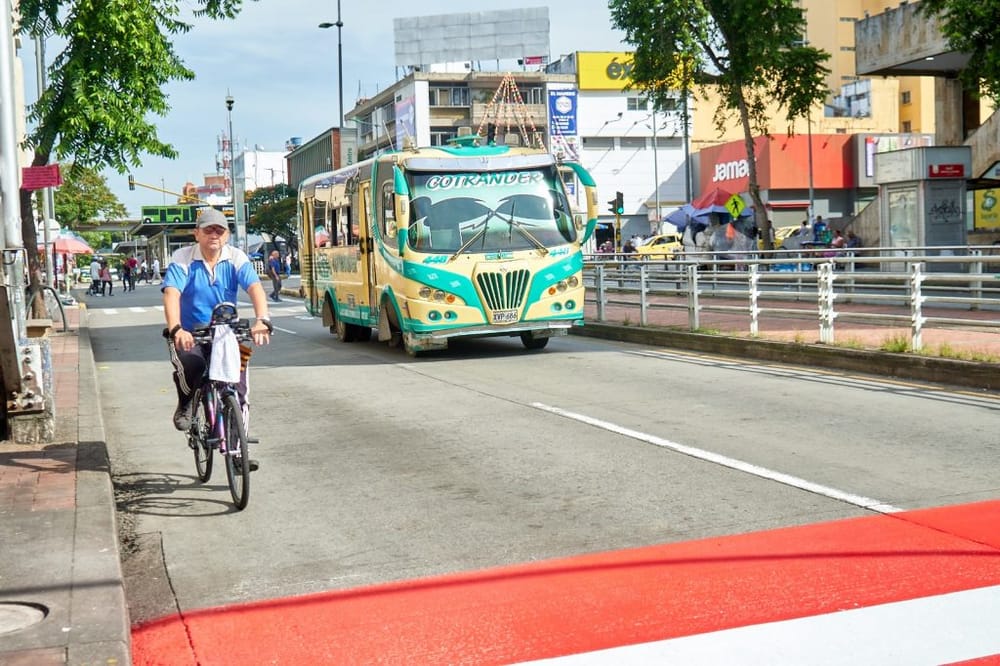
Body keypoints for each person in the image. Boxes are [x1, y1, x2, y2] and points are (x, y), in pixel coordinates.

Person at [162, 208, 272, 452]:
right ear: (196, 234)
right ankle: (186, 402)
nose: (214, 235)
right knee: (193, 365)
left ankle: (237, 449)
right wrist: (177, 328)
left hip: (227, 333)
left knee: (238, 388)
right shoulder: (183, 259)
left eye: (219, 230)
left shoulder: (235, 257)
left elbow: (254, 287)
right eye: (208, 230)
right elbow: (171, 293)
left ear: (227, 235)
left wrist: (262, 319)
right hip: (191, 333)